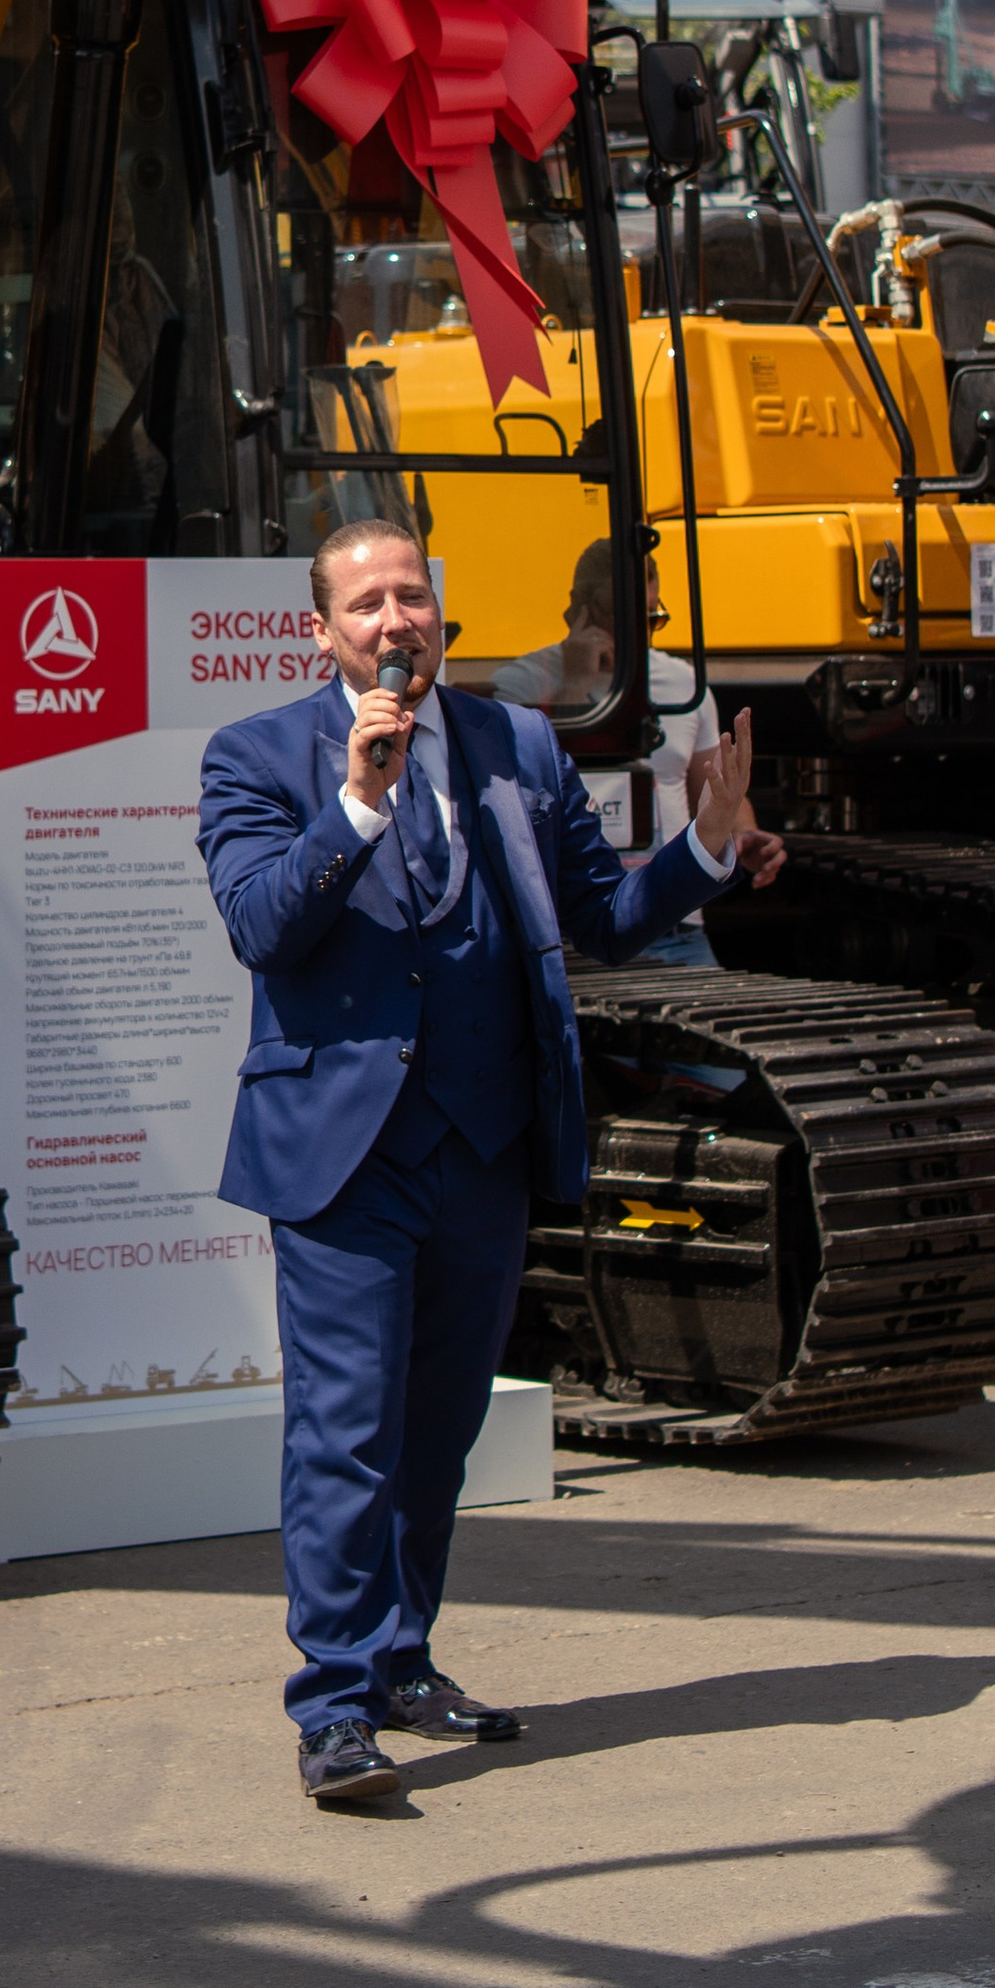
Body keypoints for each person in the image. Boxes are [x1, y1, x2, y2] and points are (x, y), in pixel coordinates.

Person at [198, 515, 771, 1809]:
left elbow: (596, 915)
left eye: (412, 597)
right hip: (344, 1155)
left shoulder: (516, 742)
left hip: (486, 1142)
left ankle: (403, 1658)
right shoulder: (255, 757)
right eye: (367, 605)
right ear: (322, 632)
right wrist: (356, 800)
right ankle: (335, 1705)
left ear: (440, 614)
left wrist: (704, 851)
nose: (395, 621)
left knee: (440, 1429)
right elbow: (262, 929)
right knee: (346, 1433)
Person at [489, 539, 784, 966]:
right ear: (579, 609)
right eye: (620, 616)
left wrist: (745, 835)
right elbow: (528, 791)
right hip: (573, 928)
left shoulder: (684, 684)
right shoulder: (522, 684)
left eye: (651, 618)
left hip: (674, 923)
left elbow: (713, 791)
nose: (637, 634)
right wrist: (574, 687)